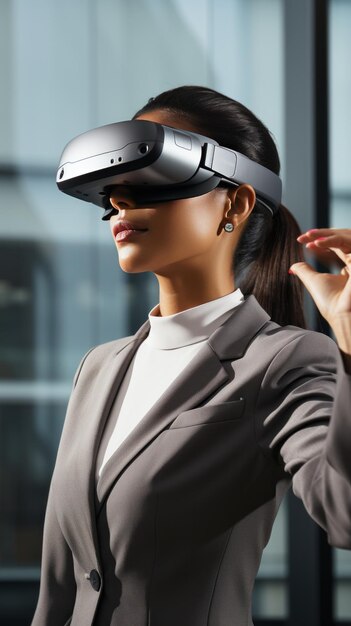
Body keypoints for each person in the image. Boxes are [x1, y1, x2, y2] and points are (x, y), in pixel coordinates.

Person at [31, 86, 351, 626]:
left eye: (150, 180)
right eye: (112, 189)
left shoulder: (287, 360)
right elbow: (60, 586)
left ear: (235, 202)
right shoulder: (99, 367)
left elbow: (345, 516)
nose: (120, 202)